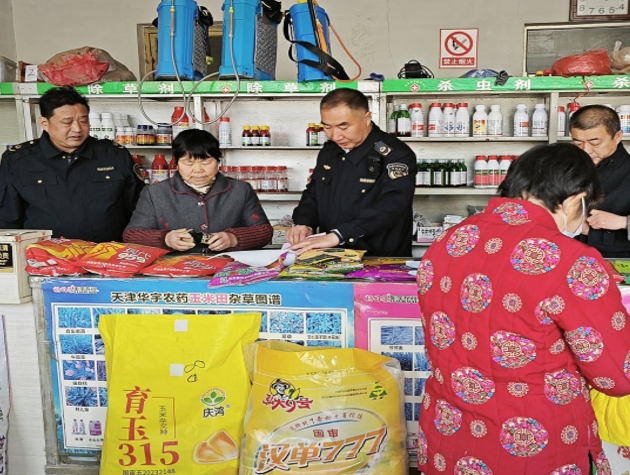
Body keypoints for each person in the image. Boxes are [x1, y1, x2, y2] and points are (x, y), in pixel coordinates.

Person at [416, 143, 630, 475]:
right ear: (575, 200)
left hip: (448, 433)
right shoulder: (573, 260)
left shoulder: (448, 242)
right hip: (530, 442)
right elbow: (617, 375)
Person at [0, 86, 144, 242]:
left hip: (108, 252)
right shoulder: (19, 161)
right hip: (44, 254)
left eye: (83, 121)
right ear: (45, 123)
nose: (77, 129)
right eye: (67, 122)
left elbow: (139, 209)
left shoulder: (114, 155)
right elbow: (7, 218)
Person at [286, 89, 417, 257]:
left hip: (379, 256)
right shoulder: (330, 151)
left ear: (367, 118)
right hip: (332, 254)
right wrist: (304, 222)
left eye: (344, 127)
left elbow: (393, 205)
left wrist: (340, 235)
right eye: (327, 127)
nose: (335, 136)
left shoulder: (396, 154)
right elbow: (314, 191)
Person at [123, 128, 272, 252]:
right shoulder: (155, 193)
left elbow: (264, 232)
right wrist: (166, 239)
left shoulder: (240, 190)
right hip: (175, 268)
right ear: (176, 164)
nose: (198, 169)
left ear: (218, 161)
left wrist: (233, 238)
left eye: (205, 162)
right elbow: (132, 235)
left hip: (227, 267)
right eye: (189, 163)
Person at [570, 104, 630, 257]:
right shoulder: (567, 168)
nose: (586, 150)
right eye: (578, 143)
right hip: (569, 254)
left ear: (617, 136)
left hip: (618, 259)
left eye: (595, 143)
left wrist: (625, 222)